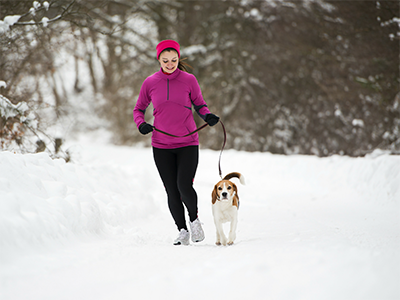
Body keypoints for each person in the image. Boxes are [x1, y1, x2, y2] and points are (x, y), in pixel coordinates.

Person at [133, 39, 220, 245]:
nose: (170, 64)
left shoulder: (189, 80)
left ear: (178, 58)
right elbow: (138, 109)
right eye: (165, 60)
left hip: (188, 142)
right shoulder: (150, 82)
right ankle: (182, 230)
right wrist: (141, 124)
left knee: (184, 184)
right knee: (171, 189)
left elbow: (199, 104)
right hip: (161, 145)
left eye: (174, 59)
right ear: (159, 60)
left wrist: (207, 116)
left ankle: (194, 220)